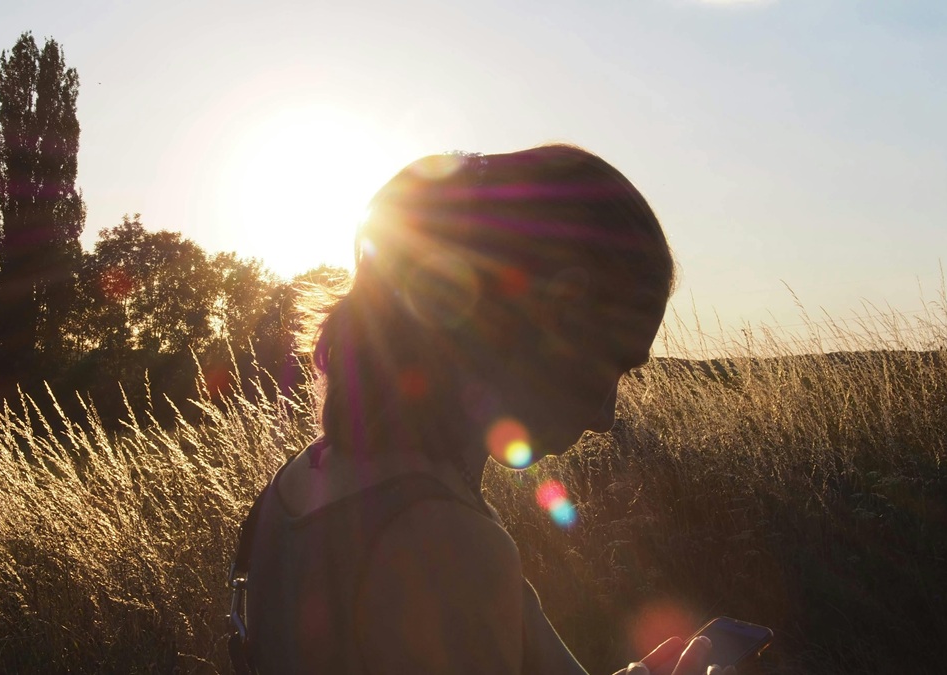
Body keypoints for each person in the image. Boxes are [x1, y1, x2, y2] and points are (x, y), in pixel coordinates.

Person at [242, 144, 735, 674]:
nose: (605, 416)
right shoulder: (447, 545)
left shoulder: (293, 488)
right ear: (556, 314)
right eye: (612, 364)